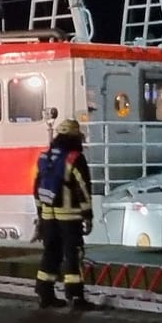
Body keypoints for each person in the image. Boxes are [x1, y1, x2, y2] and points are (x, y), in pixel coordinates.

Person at [34, 118, 96, 310]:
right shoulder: (75, 158)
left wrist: (40, 214)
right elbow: (83, 188)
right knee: (72, 255)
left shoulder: (45, 158)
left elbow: (36, 187)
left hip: (48, 214)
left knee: (51, 252)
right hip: (69, 216)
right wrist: (88, 214)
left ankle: (45, 293)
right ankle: (76, 297)